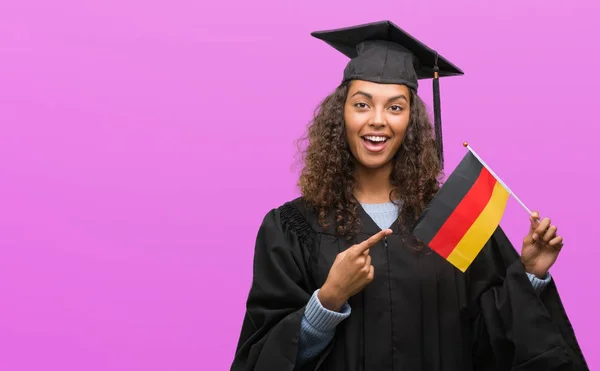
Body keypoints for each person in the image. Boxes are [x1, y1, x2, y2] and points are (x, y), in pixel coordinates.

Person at [229, 20, 588, 371]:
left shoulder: (453, 220)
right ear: (341, 116)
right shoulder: (293, 229)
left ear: (411, 124)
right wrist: (329, 299)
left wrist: (530, 274)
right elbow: (263, 356)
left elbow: (492, 337)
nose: (378, 120)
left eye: (395, 107)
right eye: (362, 104)